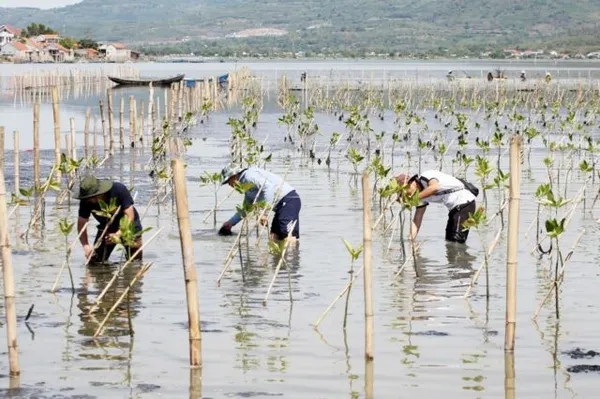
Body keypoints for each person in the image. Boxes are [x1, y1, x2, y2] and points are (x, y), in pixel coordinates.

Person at [218, 164, 301, 243]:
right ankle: (275, 257)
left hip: (288, 200)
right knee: (273, 237)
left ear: (234, 175)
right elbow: (246, 208)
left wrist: (265, 213)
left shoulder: (248, 176)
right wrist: (230, 223)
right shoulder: (246, 187)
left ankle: (291, 256)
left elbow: (268, 187)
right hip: (281, 206)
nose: (229, 185)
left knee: (287, 236)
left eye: (228, 181)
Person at [75, 176, 144, 263]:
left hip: (129, 228)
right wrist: (86, 246)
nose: (90, 201)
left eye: (92, 197)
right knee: (95, 262)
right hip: (106, 227)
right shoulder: (85, 201)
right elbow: (82, 223)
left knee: (135, 263)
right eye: (87, 198)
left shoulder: (118, 189)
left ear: (100, 192)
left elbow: (130, 216)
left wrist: (117, 235)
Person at [396, 170, 476, 244]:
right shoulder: (420, 195)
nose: (407, 195)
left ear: (411, 183)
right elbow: (418, 218)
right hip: (454, 209)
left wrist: (415, 198)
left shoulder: (426, 176)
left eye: (405, 191)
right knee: (449, 240)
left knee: (456, 240)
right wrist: (411, 240)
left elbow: (434, 187)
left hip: (465, 202)